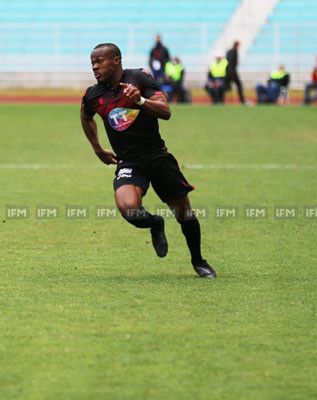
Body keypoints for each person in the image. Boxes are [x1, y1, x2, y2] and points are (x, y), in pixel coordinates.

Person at [80, 43, 217, 278]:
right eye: (92, 62)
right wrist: (97, 149)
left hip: (157, 157)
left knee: (185, 215)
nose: (94, 67)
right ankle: (155, 224)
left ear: (116, 60)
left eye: (99, 61)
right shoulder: (94, 94)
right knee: (127, 208)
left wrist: (141, 101)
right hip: (128, 162)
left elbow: (166, 111)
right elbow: (85, 115)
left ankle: (198, 260)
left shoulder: (140, 78)